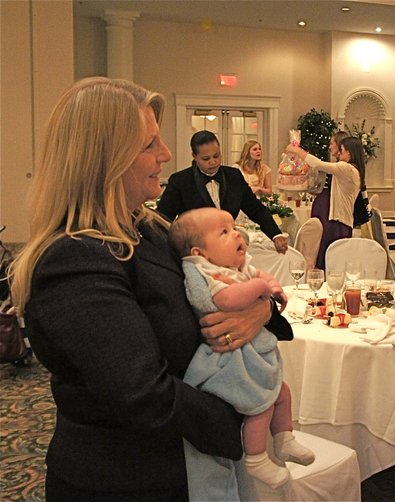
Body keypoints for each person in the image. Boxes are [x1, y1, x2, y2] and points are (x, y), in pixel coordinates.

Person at [8, 77, 293, 501]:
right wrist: (245, 418)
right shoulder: (75, 259)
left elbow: (219, 291)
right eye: (149, 145)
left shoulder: (149, 230)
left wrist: (261, 311)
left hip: (185, 468)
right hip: (128, 479)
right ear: (103, 159)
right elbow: (141, 394)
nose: (166, 155)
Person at [168, 207, 314, 492]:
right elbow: (225, 300)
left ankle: (284, 439)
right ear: (200, 252)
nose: (236, 233)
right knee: (259, 404)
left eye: (233, 227)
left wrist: (272, 289)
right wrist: (260, 286)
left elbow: (260, 275)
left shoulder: (235, 266)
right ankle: (257, 458)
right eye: (224, 232)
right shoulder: (203, 273)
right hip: (227, 358)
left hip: (248, 350)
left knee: (281, 392)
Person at [157, 131, 288, 254]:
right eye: (206, 158)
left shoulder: (234, 176)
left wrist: (275, 234)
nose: (213, 162)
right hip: (195, 251)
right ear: (194, 156)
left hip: (229, 248)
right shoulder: (180, 181)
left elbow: (256, 210)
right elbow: (162, 219)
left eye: (216, 156)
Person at [285, 136, 365, 269]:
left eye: (342, 150)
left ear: (349, 153)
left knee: (331, 262)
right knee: (333, 262)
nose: (339, 154)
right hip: (341, 220)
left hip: (338, 222)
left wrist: (296, 150)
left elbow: (318, 164)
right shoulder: (353, 170)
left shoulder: (347, 168)